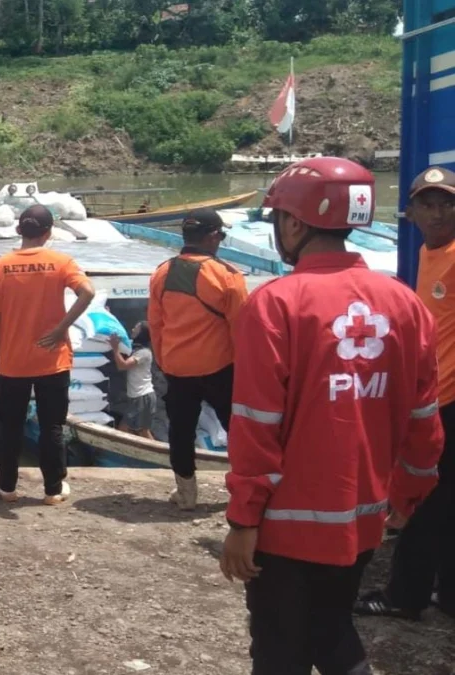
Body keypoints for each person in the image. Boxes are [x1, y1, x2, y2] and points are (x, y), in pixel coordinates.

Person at [218, 157, 444, 675]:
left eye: (278, 219)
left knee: (279, 651)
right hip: (362, 520)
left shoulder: (276, 304)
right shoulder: (406, 305)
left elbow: (255, 423)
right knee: (331, 628)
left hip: (284, 527)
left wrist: (243, 520)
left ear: (295, 223)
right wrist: (407, 497)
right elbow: (423, 421)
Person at [355, 165, 455, 621]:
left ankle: (405, 597)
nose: (438, 213)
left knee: (422, 501)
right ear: (410, 211)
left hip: (448, 405)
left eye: (447, 204)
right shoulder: (429, 253)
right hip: (436, 399)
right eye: (428, 205)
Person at [0, 205, 95, 505]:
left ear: (19, 230)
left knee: (10, 427)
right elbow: (87, 291)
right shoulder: (61, 262)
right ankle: (53, 490)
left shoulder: (0, 266)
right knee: (52, 427)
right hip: (52, 361)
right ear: (48, 233)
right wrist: (61, 328)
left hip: (13, 364)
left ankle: (7, 487)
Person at [148, 208, 248, 510]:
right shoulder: (228, 276)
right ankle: (244, 494)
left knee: (181, 431)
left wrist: (165, 362)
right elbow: (242, 329)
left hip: (177, 368)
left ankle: (186, 494)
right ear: (213, 236)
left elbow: (156, 324)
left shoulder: (161, 273)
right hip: (221, 368)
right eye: (221, 235)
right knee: (239, 431)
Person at [109, 321, 155, 439]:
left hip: (142, 396)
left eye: (136, 328)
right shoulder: (134, 348)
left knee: (141, 431)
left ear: (142, 333)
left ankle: (160, 455)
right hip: (136, 396)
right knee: (128, 429)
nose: (133, 329)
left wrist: (115, 349)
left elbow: (123, 365)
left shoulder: (144, 353)